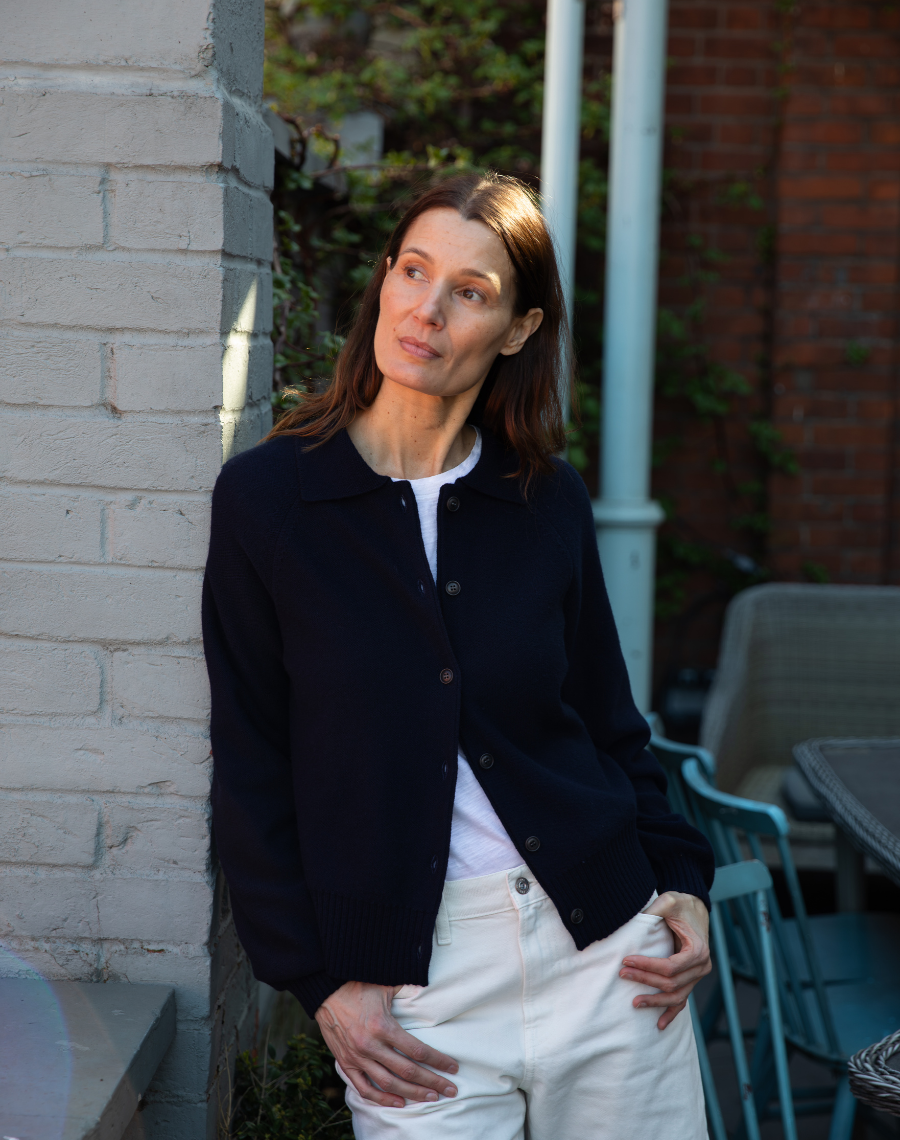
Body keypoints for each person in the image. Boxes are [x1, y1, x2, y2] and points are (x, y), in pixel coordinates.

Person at [203, 171, 715, 1139]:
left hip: (608, 955)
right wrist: (320, 984)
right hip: (414, 989)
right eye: (413, 270)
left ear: (519, 330)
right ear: (384, 279)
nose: (427, 310)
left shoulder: (544, 500)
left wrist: (684, 880)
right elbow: (252, 762)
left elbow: (609, 725)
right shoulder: (270, 504)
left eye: (470, 292)